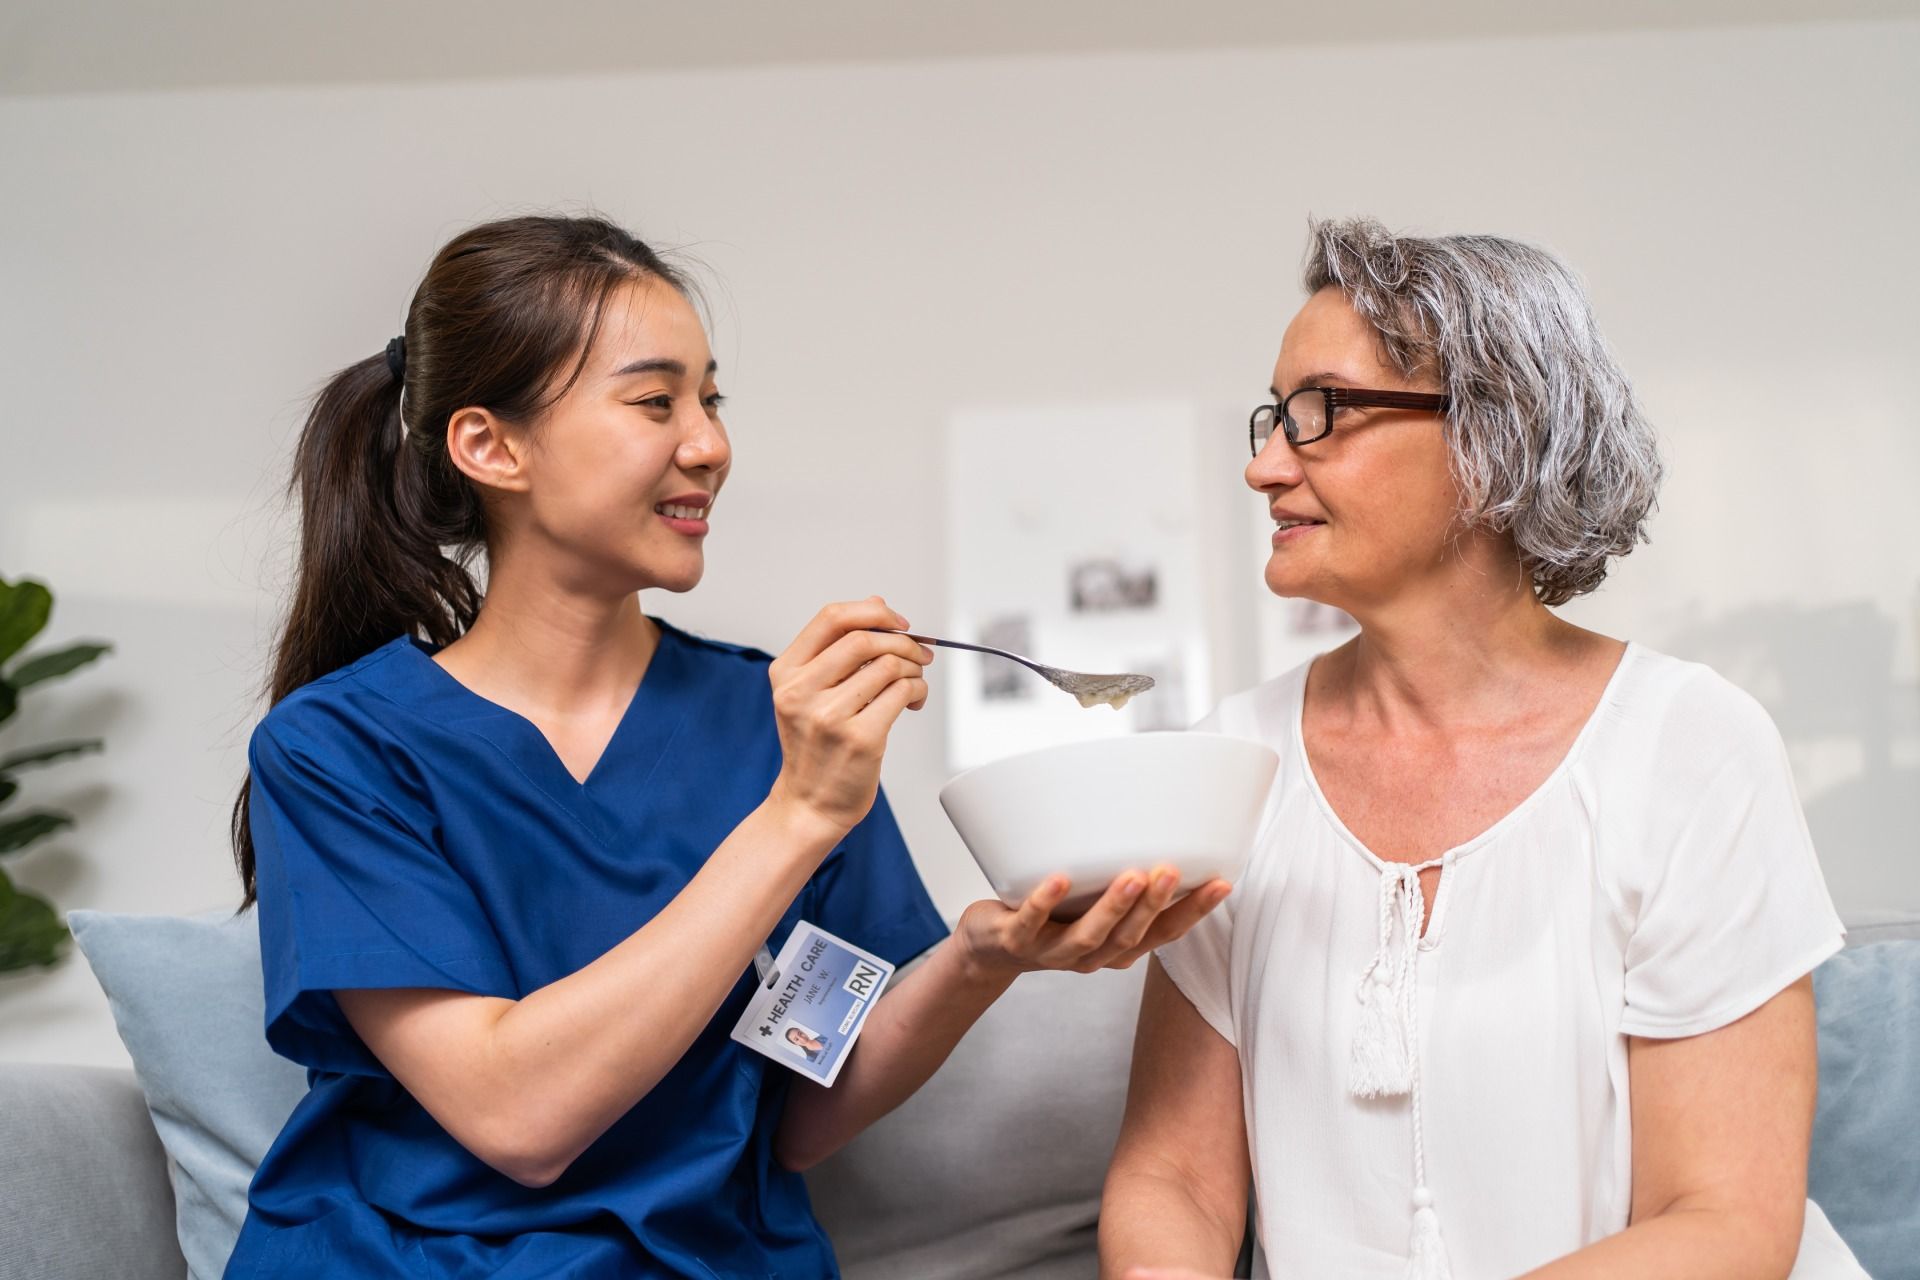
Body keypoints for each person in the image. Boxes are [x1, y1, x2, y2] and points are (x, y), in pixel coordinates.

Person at [224, 213, 1229, 1278]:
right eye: (655, 400)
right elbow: (517, 1116)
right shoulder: (337, 746)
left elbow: (797, 1108)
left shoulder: (774, 719)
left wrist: (985, 955)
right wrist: (794, 818)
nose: (708, 442)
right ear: (490, 445)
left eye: (711, 399)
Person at [1100, 218, 1867, 1280]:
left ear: (1492, 438)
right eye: (1273, 416)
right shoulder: (1231, 761)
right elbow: (1173, 1180)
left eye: (1320, 412)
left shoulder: (1693, 746)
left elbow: (1724, 1223)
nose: (1263, 463)